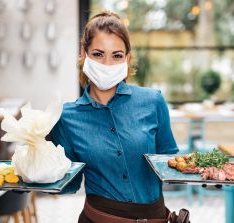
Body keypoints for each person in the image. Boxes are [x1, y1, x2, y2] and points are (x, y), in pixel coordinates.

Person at [51, 11, 180, 223]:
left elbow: (171, 163)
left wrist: (204, 171)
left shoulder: (153, 101)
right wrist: (32, 175)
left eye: (117, 55)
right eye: (98, 54)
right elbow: (68, 183)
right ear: (84, 54)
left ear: (127, 58)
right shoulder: (66, 117)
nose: (107, 64)